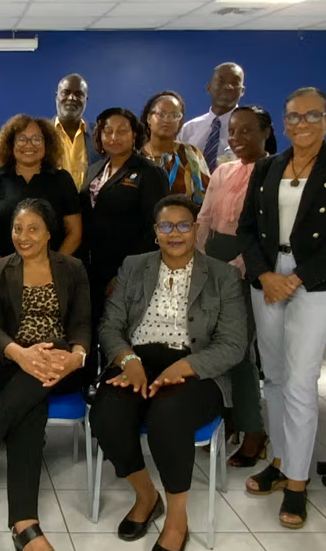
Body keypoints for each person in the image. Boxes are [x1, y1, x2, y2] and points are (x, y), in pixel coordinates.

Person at [238, 87, 326, 529]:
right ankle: (279, 460)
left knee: (300, 379)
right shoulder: (268, 167)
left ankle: (297, 482)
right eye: (294, 117)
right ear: (284, 121)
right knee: (272, 375)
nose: (302, 124)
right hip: (268, 277)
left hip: (315, 282)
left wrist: (295, 278)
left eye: (313, 116)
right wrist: (266, 275)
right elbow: (247, 228)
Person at [92, 195, 246, 551]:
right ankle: (146, 496)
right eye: (165, 226)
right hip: (137, 362)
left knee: (168, 416)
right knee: (105, 416)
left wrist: (185, 366)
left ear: (196, 229)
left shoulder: (223, 275)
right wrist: (128, 360)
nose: (174, 233)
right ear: (155, 232)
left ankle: (177, 519)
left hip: (195, 370)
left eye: (182, 225)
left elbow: (234, 345)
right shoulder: (134, 266)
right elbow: (109, 326)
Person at [0, 198, 91, 551]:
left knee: (32, 391)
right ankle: (24, 524)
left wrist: (76, 357)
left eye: (33, 229)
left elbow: (83, 324)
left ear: (50, 232)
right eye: (17, 229)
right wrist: (20, 353)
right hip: (9, 359)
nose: (23, 236)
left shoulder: (72, 268)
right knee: (30, 405)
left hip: (61, 362)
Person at [196, 106, 277, 467]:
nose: (237, 138)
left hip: (248, 269)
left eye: (246, 131)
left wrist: (238, 267)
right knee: (208, 345)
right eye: (233, 131)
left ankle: (253, 430)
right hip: (211, 264)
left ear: (266, 131)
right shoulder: (223, 171)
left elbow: (268, 232)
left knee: (239, 352)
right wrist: (196, 264)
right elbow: (205, 219)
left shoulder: (277, 172)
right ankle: (222, 418)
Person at [80, 107, 169, 366]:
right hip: (93, 267)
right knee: (94, 326)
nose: (114, 137)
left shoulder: (149, 172)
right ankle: (91, 384)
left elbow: (154, 228)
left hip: (129, 271)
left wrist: (125, 274)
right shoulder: (95, 168)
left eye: (122, 131)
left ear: (135, 135)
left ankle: (122, 385)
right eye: (108, 131)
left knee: (123, 331)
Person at [0, 115, 82, 264]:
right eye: (22, 139)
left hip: (51, 277)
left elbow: (74, 232)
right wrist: (0, 268)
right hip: (1, 276)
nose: (29, 145)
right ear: (11, 144)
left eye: (37, 139)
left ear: (47, 143)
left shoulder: (62, 180)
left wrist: (52, 268)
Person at [140, 91, 210, 203]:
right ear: (149, 119)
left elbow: (206, 198)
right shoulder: (135, 156)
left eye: (174, 116)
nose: (167, 120)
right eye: (161, 114)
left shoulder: (189, 153)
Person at [178, 62, 246, 172]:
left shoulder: (250, 132)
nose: (228, 87)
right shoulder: (188, 129)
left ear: (242, 91)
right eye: (221, 81)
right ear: (208, 87)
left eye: (235, 82)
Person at [54, 74, 102, 190]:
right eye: (66, 92)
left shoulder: (100, 135)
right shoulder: (41, 134)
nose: (71, 98)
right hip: (49, 207)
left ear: (86, 99)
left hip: (90, 207)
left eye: (78, 94)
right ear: (57, 96)